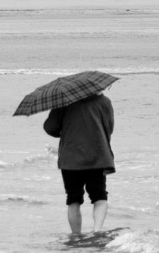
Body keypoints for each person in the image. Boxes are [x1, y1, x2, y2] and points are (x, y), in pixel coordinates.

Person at [43, 91, 115, 235]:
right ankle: (97, 231)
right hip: (97, 156)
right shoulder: (104, 102)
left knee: (73, 200)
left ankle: (76, 235)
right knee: (100, 197)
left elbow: (50, 127)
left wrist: (66, 128)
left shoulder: (63, 102)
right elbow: (109, 127)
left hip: (71, 158)